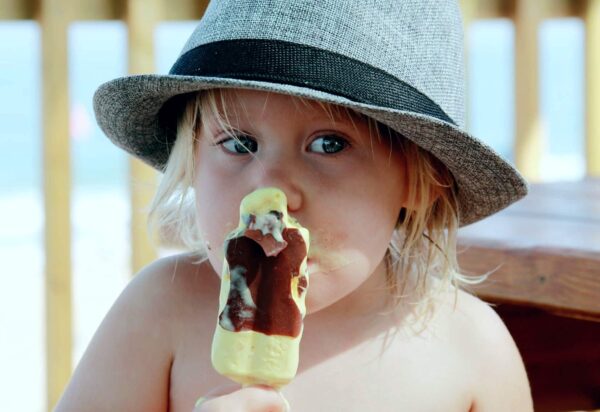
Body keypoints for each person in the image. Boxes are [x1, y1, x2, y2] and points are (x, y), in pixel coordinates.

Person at [55, 0, 534, 410]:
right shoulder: (160, 311)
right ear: (193, 160)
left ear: (421, 182)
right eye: (239, 143)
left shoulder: (474, 352)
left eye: (329, 144)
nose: (270, 189)